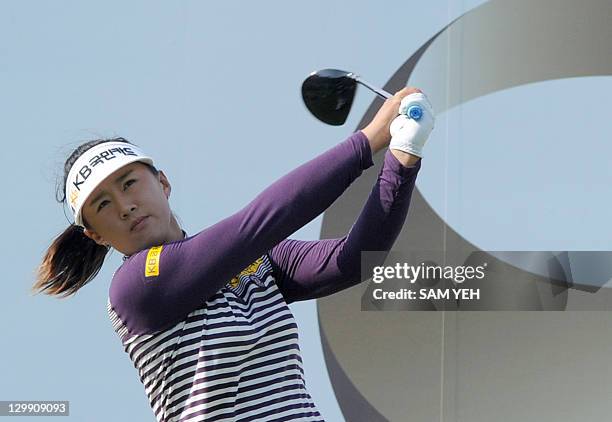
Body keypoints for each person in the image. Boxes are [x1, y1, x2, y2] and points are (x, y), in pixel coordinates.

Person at [33, 87, 435, 422]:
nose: (125, 206)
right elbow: (256, 225)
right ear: (95, 236)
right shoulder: (134, 287)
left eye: (129, 183)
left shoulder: (253, 259)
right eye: (103, 205)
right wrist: (367, 142)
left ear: (163, 182)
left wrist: (402, 156)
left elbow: (353, 259)